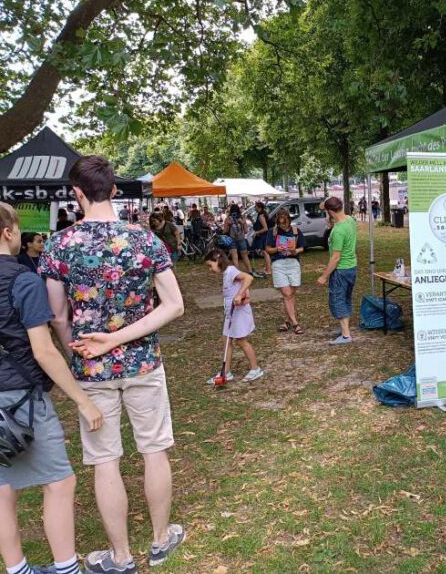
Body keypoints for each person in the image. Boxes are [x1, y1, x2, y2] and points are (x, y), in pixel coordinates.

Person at [40, 155, 186, 574]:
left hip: (90, 367)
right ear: (116, 191)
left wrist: (80, 348)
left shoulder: (59, 245)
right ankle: (160, 542)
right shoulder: (144, 240)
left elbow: (57, 314)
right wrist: (121, 338)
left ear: (77, 193)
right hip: (142, 363)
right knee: (154, 449)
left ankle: (121, 557)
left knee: (105, 459)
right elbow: (173, 306)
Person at [0, 202, 103, 574]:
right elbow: (44, 351)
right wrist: (83, 401)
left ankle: (17, 570)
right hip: (22, 399)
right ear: (9, 232)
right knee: (59, 481)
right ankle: (66, 568)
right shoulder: (23, 280)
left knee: (2, 490)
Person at [204, 249, 264, 384]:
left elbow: (249, 278)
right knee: (226, 340)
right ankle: (226, 372)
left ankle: (255, 369)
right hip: (230, 313)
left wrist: (239, 294)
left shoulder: (231, 271)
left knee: (241, 341)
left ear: (218, 260)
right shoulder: (226, 274)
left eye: (210, 265)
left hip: (239, 313)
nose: (210, 269)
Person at [317, 197, 357, 344]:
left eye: (327, 211)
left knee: (337, 300)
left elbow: (335, 258)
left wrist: (324, 276)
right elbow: (326, 205)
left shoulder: (338, 231)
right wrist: (327, 208)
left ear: (331, 212)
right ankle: (344, 328)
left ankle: (346, 335)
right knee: (345, 297)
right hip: (351, 268)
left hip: (340, 270)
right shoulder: (351, 220)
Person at [266, 210, 305, 335]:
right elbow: (267, 249)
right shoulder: (273, 232)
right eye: (280, 223)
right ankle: (295, 323)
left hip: (293, 263)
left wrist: (295, 251)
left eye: (285, 223)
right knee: (287, 294)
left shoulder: (295, 231)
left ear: (289, 220)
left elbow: (302, 247)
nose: (282, 225)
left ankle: (287, 321)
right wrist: (277, 248)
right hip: (279, 264)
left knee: (291, 294)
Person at [223, 204, 254, 274]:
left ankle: (237, 273)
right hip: (241, 239)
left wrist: (228, 225)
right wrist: (242, 223)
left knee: (235, 257)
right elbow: (246, 231)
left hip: (232, 239)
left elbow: (225, 231)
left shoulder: (228, 219)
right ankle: (250, 271)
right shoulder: (242, 218)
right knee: (245, 255)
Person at [250, 202, 271, 278]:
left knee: (265, 253)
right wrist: (251, 220)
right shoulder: (260, 215)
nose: (254, 208)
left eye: (255, 206)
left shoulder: (261, 216)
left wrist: (257, 232)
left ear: (259, 207)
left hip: (263, 236)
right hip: (262, 236)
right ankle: (267, 268)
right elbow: (257, 226)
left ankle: (268, 270)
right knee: (265, 253)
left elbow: (265, 228)